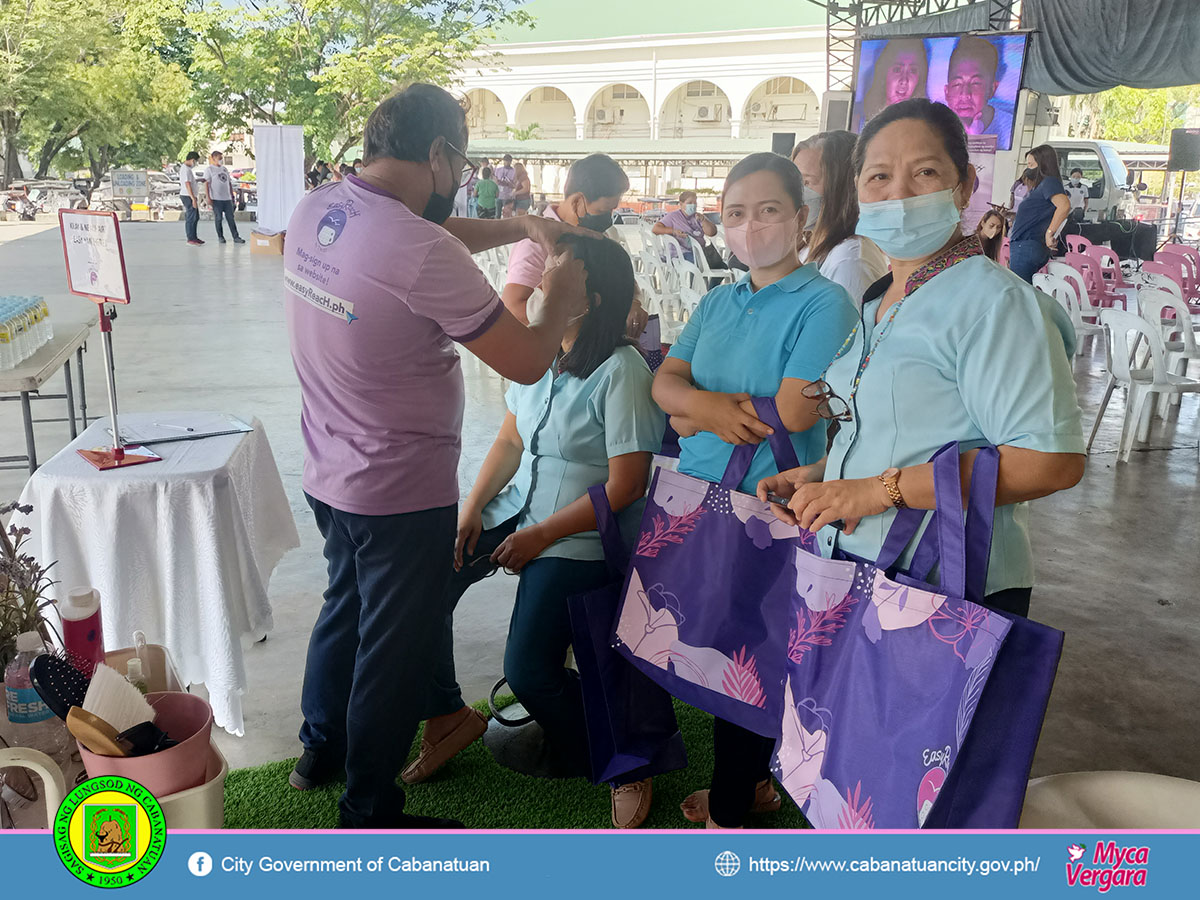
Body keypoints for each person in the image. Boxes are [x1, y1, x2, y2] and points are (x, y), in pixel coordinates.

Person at [283, 83, 598, 829]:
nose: (460, 176)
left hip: (329, 471)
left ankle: (317, 751)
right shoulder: (418, 250)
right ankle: (369, 809)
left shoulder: (321, 207)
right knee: (392, 652)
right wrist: (559, 290)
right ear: (439, 154)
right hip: (398, 490)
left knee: (344, 609)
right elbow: (523, 359)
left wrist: (515, 224)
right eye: (461, 161)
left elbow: (425, 238)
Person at [757, 98, 1085, 623]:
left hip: (943, 582)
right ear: (858, 191)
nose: (899, 194)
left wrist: (876, 491)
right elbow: (906, 430)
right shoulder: (880, 297)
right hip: (859, 563)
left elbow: (1051, 461)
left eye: (925, 172)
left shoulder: (995, 302)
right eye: (879, 176)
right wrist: (826, 476)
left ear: (965, 185)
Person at [411, 235, 665, 828]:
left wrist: (541, 537)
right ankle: (448, 715)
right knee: (422, 588)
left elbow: (627, 486)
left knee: (529, 672)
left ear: (590, 298)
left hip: (577, 535)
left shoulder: (621, 369)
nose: (541, 280)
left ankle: (623, 754)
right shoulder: (536, 355)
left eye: (559, 273)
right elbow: (508, 440)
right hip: (516, 509)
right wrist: (472, 507)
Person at [651, 152, 858, 829]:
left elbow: (795, 412)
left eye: (768, 210)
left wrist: (691, 408)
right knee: (710, 646)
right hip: (696, 496)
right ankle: (754, 786)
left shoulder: (824, 300)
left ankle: (733, 811)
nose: (750, 226)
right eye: (735, 213)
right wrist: (703, 410)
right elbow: (664, 385)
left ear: (801, 218)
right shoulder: (718, 298)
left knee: (751, 661)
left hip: (773, 502)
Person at [503, 153, 629, 324]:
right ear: (577, 202)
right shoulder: (536, 243)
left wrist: (633, 301)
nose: (607, 219)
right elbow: (513, 309)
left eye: (611, 211)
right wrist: (564, 308)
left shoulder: (597, 233)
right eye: (601, 212)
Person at [792, 131, 889, 303]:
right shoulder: (809, 246)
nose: (795, 192)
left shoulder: (850, 260)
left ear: (841, 187)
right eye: (795, 181)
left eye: (807, 182)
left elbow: (847, 328)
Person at [1008, 144, 1071, 282]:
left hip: (1027, 245)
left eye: (1031, 165)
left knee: (1020, 292)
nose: (1027, 169)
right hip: (1025, 245)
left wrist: (1049, 233)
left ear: (1042, 165)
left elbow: (1064, 205)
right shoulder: (1040, 186)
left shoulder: (1049, 183)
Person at [944, 36, 1013, 143]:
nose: (965, 94)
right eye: (957, 84)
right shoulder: (934, 128)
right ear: (947, 92)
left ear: (992, 89)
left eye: (975, 83)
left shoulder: (1009, 130)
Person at [653, 191, 724, 270]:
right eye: (689, 203)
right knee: (696, 265)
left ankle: (711, 283)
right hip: (681, 253)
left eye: (695, 202)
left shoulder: (698, 217)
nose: (693, 205)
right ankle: (693, 282)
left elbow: (712, 233)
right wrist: (673, 231)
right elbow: (656, 229)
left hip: (700, 252)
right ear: (681, 204)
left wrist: (703, 220)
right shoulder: (673, 216)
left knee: (721, 266)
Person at [863, 39, 928, 121]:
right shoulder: (858, 119)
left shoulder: (924, 121)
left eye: (912, 71)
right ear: (883, 74)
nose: (904, 81)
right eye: (897, 70)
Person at [205, 151, 245, 244]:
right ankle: (220, 236)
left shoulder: (224, 169)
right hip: (216, 198)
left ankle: (236, 237)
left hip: (227, 198)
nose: (221, 160)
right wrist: (208, 197)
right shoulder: (209, 169)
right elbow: (206, 184)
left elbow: (229, 183)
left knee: (230, 218)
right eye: (219, 158)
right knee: (218, 218)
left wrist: (231, 195)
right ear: (214, 158)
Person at [179, 151, 203, 245]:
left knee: (195, 217)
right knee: (191, 217)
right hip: (187, 196)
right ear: (192, 160)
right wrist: (193, 198)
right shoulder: (185, 169)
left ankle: (194, 236)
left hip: (190, 195)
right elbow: (187, 184)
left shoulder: (187, 169)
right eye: (195, 161)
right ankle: (190, 238)